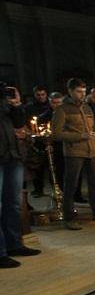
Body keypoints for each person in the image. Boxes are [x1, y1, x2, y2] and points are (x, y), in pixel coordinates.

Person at [52, 78, 95, 230]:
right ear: (70, 91)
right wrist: (80, 136)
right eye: (79, 92)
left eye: (84, 92)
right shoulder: (62, 110)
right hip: (74, 152)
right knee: (71, 185)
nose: (82, 95)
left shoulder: (87, 108)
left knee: (94, 183)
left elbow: (93, 132)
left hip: (91, 151)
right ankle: (69, 217)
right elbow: (56, 134)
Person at [0, 84, 40, 268]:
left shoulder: (6, 104)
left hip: (12, 156)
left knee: (13, 204)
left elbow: (18, 123)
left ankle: (14, 244)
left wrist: (16, 105)